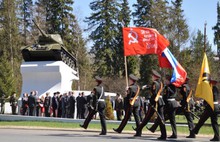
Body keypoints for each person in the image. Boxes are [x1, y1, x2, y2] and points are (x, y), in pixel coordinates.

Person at [133, 70, 166, 140]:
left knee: (147, 117)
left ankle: (138, 129)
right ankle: (164, 134)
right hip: (160, 101)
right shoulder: (160, 83)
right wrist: (148, 87)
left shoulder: (154, 83)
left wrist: (147, 89)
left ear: (155, 77)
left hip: (155, 102)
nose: (152, 77)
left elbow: (154, 92)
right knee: (161, 118)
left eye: (152, 76)